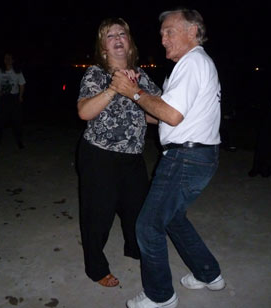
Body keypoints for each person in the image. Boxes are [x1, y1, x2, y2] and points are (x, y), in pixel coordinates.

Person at [110, 8, 224, 308]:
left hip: (185, 159)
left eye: (169, 31)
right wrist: (130, 99)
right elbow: (169, 115)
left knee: (147, 227)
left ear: (192, 32)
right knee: (173, 218)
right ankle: (209, 273)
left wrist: (133, 92)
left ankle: (160, 296)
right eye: (161, 33)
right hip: (200, 156)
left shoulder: (192, 62)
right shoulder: (198, 64)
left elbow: (171, 115)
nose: (162, 39)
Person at [76, 17, 161, 288]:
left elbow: (156, 113)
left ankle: (134, 248)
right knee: (98, 214)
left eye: (122, 33)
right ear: (103, 47)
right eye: (110, 35)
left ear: (129, 42)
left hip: (133, 154)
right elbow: (84, 112)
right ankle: (96, 267)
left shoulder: (142, 75)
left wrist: (141, 99)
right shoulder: (95, 74)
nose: (117, 38)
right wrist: (115, 88)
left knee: (137, 209)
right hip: (99, 155)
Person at [0, 52, 26, 149]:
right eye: (6, 58)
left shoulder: (17, 71)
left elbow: (22, 84)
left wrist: (20, 96)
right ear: (4, 60)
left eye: (10, 58)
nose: (8, 60)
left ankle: (19, 141)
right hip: (3, 98)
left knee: (17, 121)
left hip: (14, 97)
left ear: (13, 60)